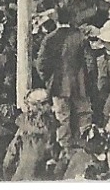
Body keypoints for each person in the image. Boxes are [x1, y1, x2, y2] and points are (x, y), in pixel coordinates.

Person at [36, 9, 95, 155]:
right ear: (72, 19)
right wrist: (88, 80)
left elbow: (41, 64)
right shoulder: (80, 37)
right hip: (80, 85)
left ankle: (65, 151)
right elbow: (90, 63)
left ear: (57, 20)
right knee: (84, 115)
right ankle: (87, 146)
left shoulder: (49, 39)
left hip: (58, 85)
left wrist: (48, 79)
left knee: (62, 118)